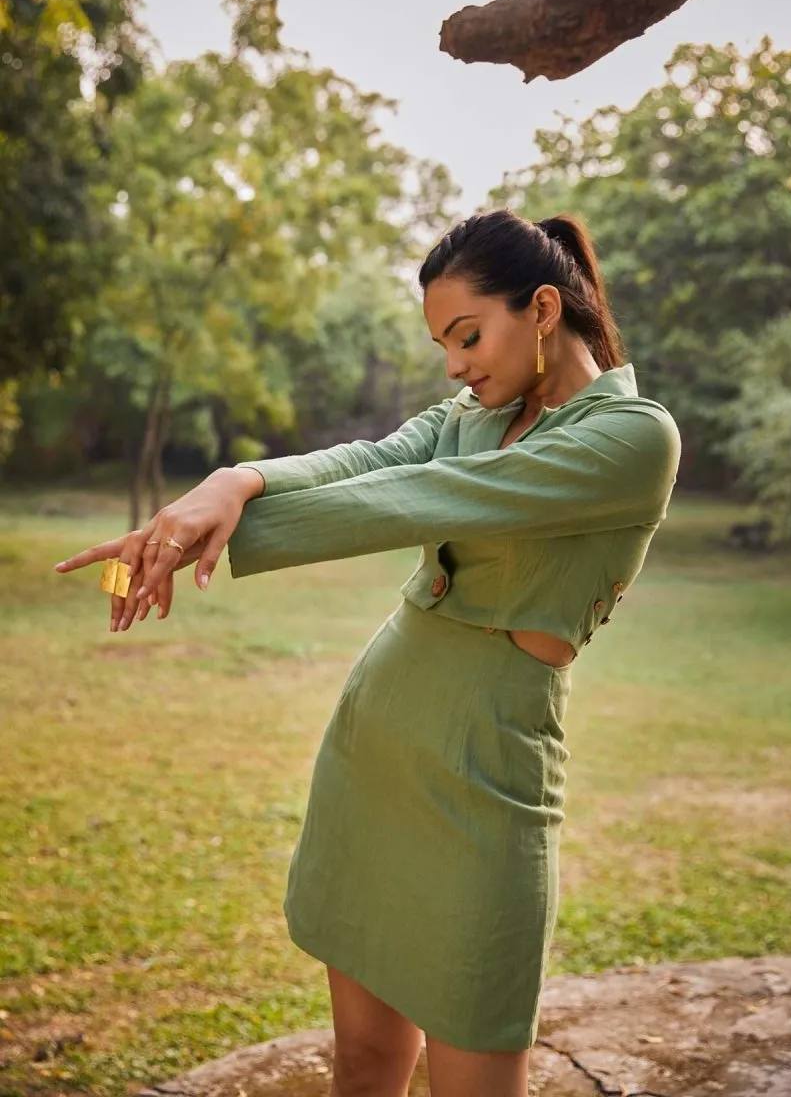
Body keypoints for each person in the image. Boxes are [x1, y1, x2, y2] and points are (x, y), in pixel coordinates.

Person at [55, 210, 681, 1097]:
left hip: (490, 766)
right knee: (365, 1063)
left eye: (468, 336)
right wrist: (232, 482)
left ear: (543, 308)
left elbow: (419, 496)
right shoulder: (472, 412)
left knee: (475, 1068)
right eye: (443, 346)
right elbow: (369, 460)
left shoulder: (632, 437)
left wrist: (207, 533)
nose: (457, 365)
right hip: (376, 740)